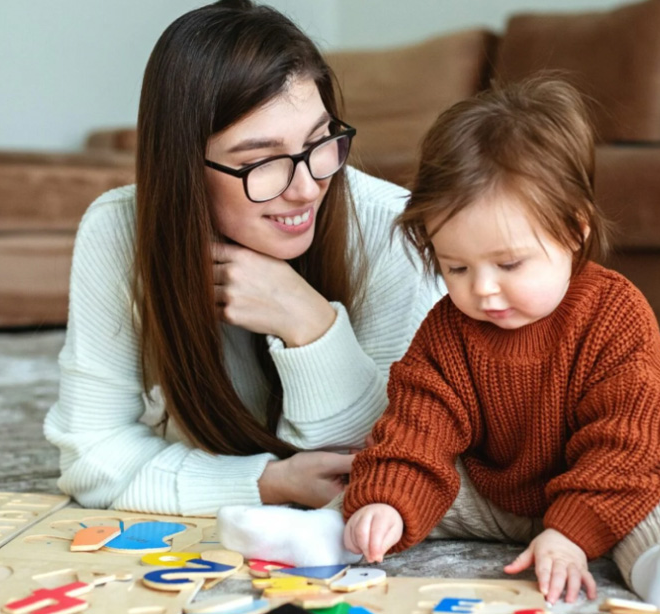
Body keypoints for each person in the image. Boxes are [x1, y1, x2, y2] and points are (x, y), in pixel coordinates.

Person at [219, 76, 660, 614]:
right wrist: (385, 501)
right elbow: (420, 424)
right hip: (494, 494)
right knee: (403, 478)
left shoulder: (612, 313)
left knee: (655, 492)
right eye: (456, 267)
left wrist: (572, 533)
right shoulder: (449, 328)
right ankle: (325, 534)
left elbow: (632, 434)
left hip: (594, 481)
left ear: (574, 231)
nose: (482, 289)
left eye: (509, 264)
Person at [43, 0, 443, 519]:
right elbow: (92, 458)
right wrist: (270, 482)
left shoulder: (394, 230)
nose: (307, 188)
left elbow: (392, 465)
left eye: (320, 141)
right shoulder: (119, 228)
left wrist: (309, 323)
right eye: (261, 162)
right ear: (184, 164)